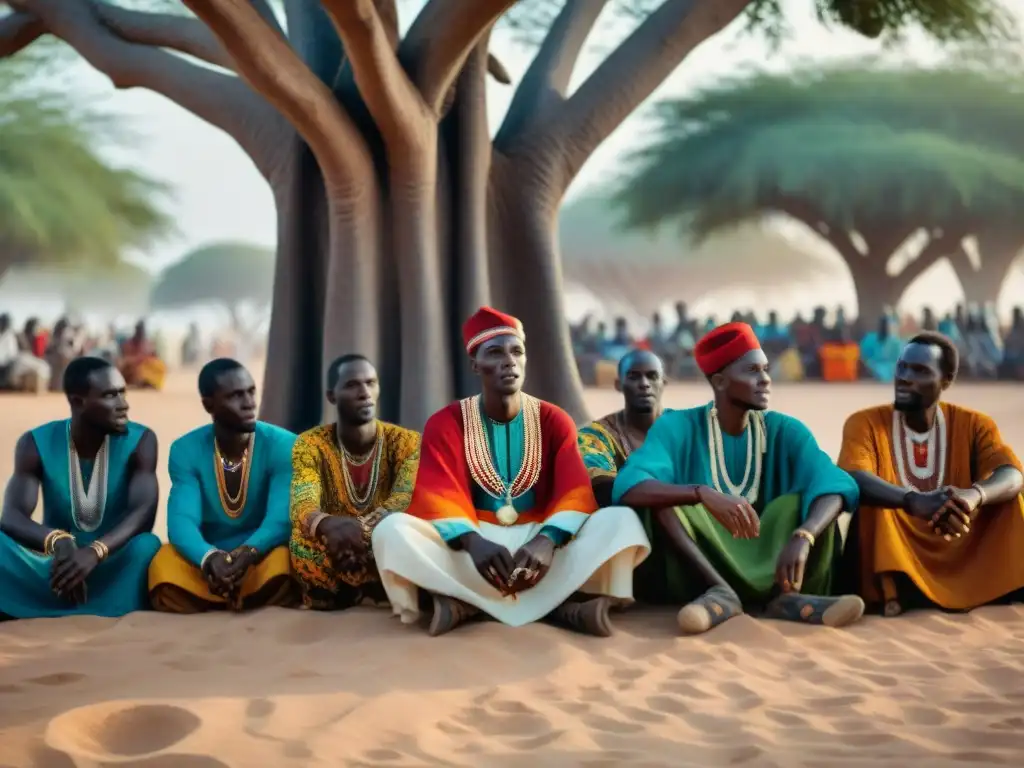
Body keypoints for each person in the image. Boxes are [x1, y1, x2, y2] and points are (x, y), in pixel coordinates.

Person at [372, 307, 650, 637]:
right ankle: (562, 607)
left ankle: (466, 605)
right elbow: (437, 495)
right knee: (391, 530)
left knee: (621, 522)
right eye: (495, 353)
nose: (509, 361)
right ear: (476, 364)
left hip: (540, 542)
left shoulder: (553, 419)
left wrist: (547, 541)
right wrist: (474, 543)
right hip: (472, 543)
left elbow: (575, 492)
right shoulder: (446, 422)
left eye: (517, 351)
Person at [613, 322, 865, 635]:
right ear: (719, 381)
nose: (765, 380)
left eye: (766, 370)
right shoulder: (677, 426)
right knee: (667, 502)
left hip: (776, 557)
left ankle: (785, 598)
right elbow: (629, 485)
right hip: (703, 565)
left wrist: (805, 535)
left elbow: (836, 483)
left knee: (804, 502)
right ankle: (721, 592)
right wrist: (701, 492)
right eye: (753, 371)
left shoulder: (785, 430)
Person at [838, 332, 1024, 615]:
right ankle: (895, 590)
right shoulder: (865, 423)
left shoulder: (975, 424)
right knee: (875, 501)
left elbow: (1012, 474)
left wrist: (972, 496)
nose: (905, 377)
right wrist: (913, 501)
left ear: (946, 380)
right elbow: (853, 475)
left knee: (1012, 501)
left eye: (920, 370)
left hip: (959, 533)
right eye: (902, 367)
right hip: (900, 537)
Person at [0, 358, 161, 618]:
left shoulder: (141, 441)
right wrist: (58, 541)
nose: (124, 405)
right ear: (77, 402)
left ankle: (33, 608)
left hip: (112, 565)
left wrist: (95, 552)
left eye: (123, 393)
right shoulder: (34, 443)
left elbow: (142, 514)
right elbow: (11, 517)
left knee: (147, 546)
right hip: (55, 567)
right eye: (110, 395)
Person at [148, 359, 297, 612]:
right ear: (209, 404)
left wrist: (248, 553)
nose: (249, 402)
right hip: (208, 558)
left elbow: (280, 519)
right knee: (162, 566)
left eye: (251, 391)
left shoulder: (283, 445)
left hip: (260, 554)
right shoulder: (186, 450)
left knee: (284, 564)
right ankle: (236, 594)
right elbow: (182, 521)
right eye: (236, 395)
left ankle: (227, 594)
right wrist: (208, 558)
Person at [290, 354, 420, 609]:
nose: (364, 392)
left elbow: (402, 499)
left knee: (411, 532)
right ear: (331, 396)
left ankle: (365, 586)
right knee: (300, 540)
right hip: (333, 544)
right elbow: (302, 505)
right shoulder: (310, 444)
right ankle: (346, 591)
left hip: (384, 539)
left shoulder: (407, 443)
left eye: (371, 383)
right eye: (352, 385)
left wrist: (361, 530)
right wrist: (327, 525)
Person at [578, 349, 667, 506]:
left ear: (663, 383)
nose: (644, 384)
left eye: (652, 376)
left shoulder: (685, 429)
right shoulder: (593, 436)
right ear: (619, 385)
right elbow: (605, 489)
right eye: (634, 377)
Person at [119, 320, 167, 390]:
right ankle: (140, 382)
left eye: (142, 330)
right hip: (133, 367)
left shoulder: (147, 342)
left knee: (159, 365)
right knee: (136, 368)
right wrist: (137, 359)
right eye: (139, 330)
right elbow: (125, 359)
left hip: (145, 365)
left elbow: (153, 356)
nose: (141, 332)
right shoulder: (129, 343)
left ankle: (149, 383)